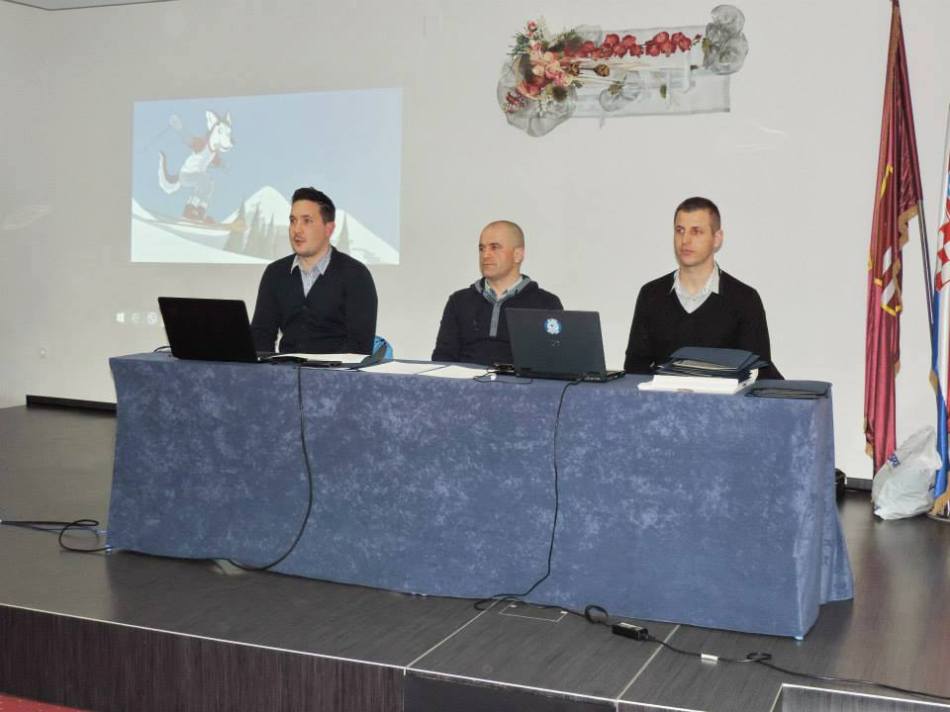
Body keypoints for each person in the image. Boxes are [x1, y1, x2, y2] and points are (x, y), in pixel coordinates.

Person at [624, 196, 782, 379]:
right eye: (680, 230)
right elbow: (634, 370)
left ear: (717, 239)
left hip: (724, 398)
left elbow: (759, 375)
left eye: (696, 232)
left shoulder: (744, 299)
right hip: (662, 397)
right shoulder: (651, 295)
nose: (685, 240)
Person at [250, 187, 377, 354]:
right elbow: (261, 337)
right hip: (286, 367)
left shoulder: (356, 275)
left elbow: (360, 346)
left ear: (328, 229)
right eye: (293, 221)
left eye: (307, 221)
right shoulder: (275, 273)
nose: (297, 229)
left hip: (338, 370)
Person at [433, 220, 562, 365]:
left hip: (519, 379)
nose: (485, 255)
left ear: (518, 255)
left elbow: (553, 362)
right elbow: (442, 359)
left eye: (494, 247)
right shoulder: (459, 301)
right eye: (482, 248)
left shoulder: (546, 304)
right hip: (466, 379)